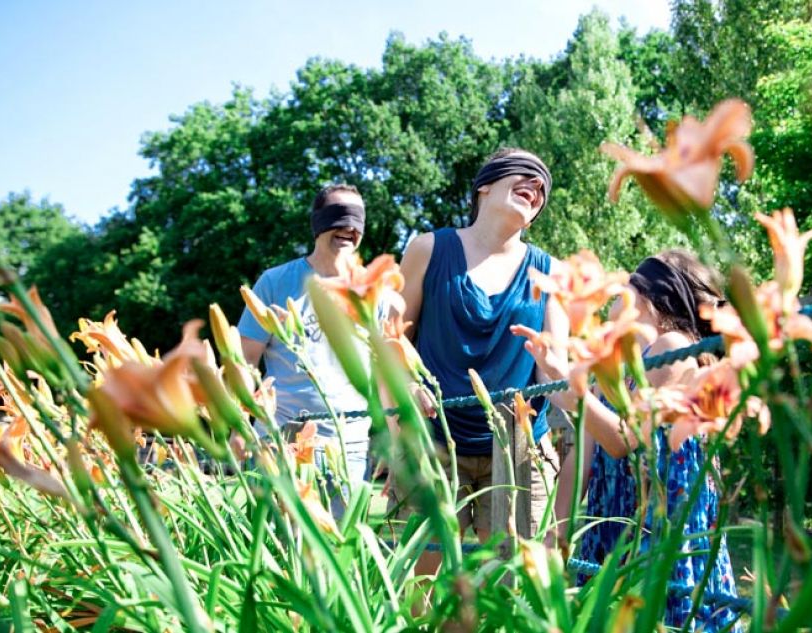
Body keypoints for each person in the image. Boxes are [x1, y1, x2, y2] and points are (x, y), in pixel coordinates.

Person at [519, 249, 741, 632]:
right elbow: (581, 461)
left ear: (651, 294)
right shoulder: (615, 367)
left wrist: (571, 385)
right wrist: (555, 535)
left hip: (659, 525)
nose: (616, 292)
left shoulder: (673, 347)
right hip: (614, 522)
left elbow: (626, 439)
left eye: (629, 284)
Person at [392, 148, 567, 542]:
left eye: (544, 185)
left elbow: (557, 373)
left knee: (510, 589)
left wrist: (564, 372)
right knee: (421, 588)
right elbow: (391, 338)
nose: (537, 185)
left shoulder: (552, 272)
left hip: (519, 449)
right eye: (524, 173)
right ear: (484, 186)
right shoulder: (427, 249)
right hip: (432, 444)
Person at [238, 183, 371, 516]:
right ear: (317, 224)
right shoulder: (275, 282)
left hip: (350, 446)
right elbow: (244, 361)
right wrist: (240, 424)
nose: (348, 228)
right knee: (280, 548)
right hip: (282, 439)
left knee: (340, 552)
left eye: (357, 220)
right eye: (338, 217)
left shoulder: (372, 290)